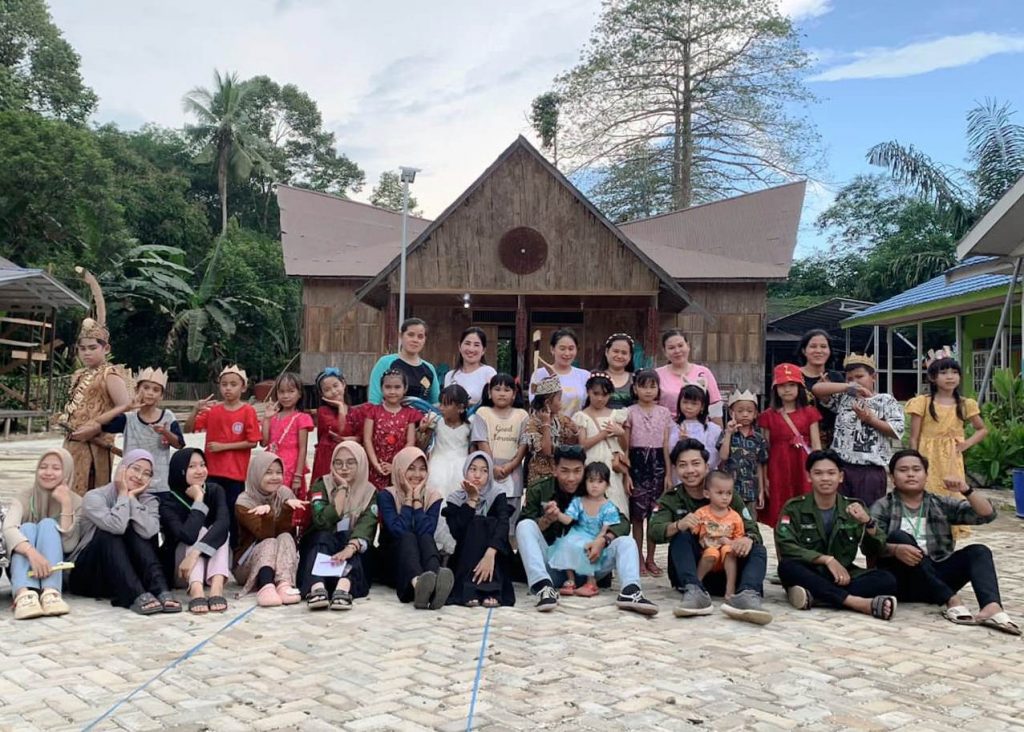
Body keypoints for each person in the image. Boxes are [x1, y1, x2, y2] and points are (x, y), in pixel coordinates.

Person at [871, 449, 1020, 635]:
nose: (910, 474)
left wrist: (967, 490)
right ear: (893, 477)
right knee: (900, 538)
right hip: (903, 581)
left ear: (926, 475)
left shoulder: (939, 503)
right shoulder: (883, 506)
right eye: (903, 470)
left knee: (979, 551)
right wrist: (894, 549)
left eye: (916, 469)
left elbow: (986, 514)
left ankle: (991, 607)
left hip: (938, 574)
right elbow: (870, 544)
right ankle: (952, 600)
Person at [516, 446, 657, 614]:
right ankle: (543, 587)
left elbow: (621, 522)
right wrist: (546, 520)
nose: (571, 478)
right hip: (555, 566)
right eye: (565, 471)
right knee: (524, 526)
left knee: (626, 542)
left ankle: (631, 591)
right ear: (554, 469)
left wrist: (603, 540)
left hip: (590, 563)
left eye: (577, 471)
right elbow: (524, 530)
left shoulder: (591, 487)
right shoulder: (539, 490)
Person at [649, 439, 771, 624]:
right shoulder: (672, 498)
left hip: (730, 568)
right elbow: (654, 530)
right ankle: (694, 592)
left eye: (696, 463)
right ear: (675, 469)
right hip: (697, 571)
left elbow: (751, 526)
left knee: (758, 548)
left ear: (706, 466)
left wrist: (748, 539)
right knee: (681, 536)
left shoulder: (725, 494)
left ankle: (747, 594)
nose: (690, 470)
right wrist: (677, 525)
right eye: (683, 465)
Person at [775, 450, 897, 621]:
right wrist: (826, 559)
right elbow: (786, 546)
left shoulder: (854, 507)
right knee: (787, 567)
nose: (825, 478)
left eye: (831, 473)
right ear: (809, 476)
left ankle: (818, 597)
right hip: (809, 570)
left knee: (887, 580)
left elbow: (875, 549)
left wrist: (868, 522)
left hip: (843, 575)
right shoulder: (794, 508)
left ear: (840, 476)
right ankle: (856, 603)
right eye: (818, 473)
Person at [68, 450, 181, 614]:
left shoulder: (149, 500)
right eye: (135, 469)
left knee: (138, 528)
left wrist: (132, 499)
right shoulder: (94, 497)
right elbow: (117, 526)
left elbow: (150, 532)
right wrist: (123, 495)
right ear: (122, 468)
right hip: (90, 574)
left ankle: (160, 589)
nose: (139, 476)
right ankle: (135, 595)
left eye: (146, 473)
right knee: (112, 530)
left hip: (125, 574)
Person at [57, 268, 131, 494]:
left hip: (96, 444)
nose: (87, 353)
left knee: (91, 493)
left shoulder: (110, 374)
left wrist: (97, 424)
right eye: (82, 348)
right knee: (67, 490)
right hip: (72, 442)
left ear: (105, 348)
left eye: (92, 348)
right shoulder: (78, 375)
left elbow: (125, 404)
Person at [811, 354, 904, 507]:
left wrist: (870, 420)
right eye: (850, 378)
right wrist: (847, 387)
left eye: (860, 376)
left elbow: (896, 431)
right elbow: (816, 389)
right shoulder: (844, 398)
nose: (855, 381)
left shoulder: (885, 400)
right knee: (840, 511)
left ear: (873, 377)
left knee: (867, 514)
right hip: (841, 466)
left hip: (870, 470)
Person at [185, 364, 262, 547]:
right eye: (224, 384)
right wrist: (196, 410)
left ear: (243, 387)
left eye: (233, 384)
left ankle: (232, 552)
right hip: (211, 473)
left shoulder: (247, 411)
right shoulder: (213, 411)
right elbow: (189, 429)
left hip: (235, 475)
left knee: (231, 514)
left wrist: (224, 447)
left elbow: (253, 441)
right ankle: (208, 550)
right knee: (210, 513)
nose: (228, 388)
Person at [298, 442, 377, 611]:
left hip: (350, 551)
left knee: (351, 538)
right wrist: (341, 490)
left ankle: (343, 588)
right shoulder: (322, 485)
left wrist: (351, 547)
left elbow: (367, 524)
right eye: (338, 463)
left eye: (350, 463)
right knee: (322, 536)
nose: (344, 468)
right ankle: (317, 587)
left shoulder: (370, 492)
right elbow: (321, 521)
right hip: (321, 549)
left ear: (361, 463)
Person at [5, 449, 81, 619]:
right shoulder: (24, 497)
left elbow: (69, 545)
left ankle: (51, 593)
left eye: (56, 468)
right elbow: (8, 529)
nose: (48, 473)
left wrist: (66, 504)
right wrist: (32, 553)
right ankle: (23, 595)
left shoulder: (76, 502)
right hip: (22, 569)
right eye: (43, 467)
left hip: (57, 570)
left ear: (67, 472)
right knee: (27, 528)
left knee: (48, 525)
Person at [377, 447, 454, 609]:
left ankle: (433, 583)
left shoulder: (433, 496)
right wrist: (408, 498)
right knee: (408, 536)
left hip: (421, 559)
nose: (417, 475)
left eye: (422, 469)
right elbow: (398, 530)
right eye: (410, 468)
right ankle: (418, 583)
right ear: (399, 470)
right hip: (394, 561)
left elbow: (426, 530)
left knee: (425, 538)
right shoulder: (386, 495)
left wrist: (418, 500)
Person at [907, 354, 987, 509]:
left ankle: (951, 530)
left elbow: (982, 429)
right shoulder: (922, 402)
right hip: (926, 455)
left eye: (954, 372)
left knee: (953, 493)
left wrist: (966, 444)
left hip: (951, 457)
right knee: (926, 493)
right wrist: (913, 461)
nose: (950, 377)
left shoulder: (965, 404)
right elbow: (914, 438)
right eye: (943, 373)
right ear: (932, 377)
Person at [158, 448, 231, 614]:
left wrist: (195, 554)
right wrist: (199, 500)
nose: (200, 471)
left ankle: (216, 589)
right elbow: (187, 536)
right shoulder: (168, 502)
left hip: (204, 562)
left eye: (203, 465)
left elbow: (224, 523)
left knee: (218, 529)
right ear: (180, 470)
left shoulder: (215, 490)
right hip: (181, 568)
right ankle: (196, 590)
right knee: (199, 530)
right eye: (192, 466)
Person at [443, 452, 515, 607]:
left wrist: (490, 552)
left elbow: (503, 524)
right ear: (465, 471)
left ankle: (492, 590)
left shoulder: (497, 494)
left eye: (484, 470)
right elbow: (458, 532)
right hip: (466, 555)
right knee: (476, 524)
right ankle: (471, 590)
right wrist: (472, 499)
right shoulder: (455, 498)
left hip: (495, 554)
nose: (477, 475)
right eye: (473, 469)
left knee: (489, 523)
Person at [234, 451, 303, 607]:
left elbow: (285, 533)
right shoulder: (244, 502)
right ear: (257, 473)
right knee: (269, 542)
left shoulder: (285, 494)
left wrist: (286, 510)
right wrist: (268, 514)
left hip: (281, 561)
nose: (275, 477)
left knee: (285, 537)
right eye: (268, 472)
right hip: (248, 563)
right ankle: (265, 585)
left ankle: (284, 584)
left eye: (279, 472)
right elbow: (264, 535)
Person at [759, 363, 822, 527]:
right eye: (782, 385)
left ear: (800, 387)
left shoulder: (810, 412)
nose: (787, 389)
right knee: (780, 505)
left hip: (802, 464)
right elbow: (764, 450)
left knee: (805, 501)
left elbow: (816, 445)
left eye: (792, 385)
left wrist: (819, 470)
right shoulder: (767, 415)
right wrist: (764, 477)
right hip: (777, 466)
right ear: (775, 389)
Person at [103, 367, 184, 495]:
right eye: (145, 388)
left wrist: (165, 432)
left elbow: (179, 444)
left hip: (159, 484)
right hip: (129, 483)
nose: (150, 393)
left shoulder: (168, 417)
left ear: (161, 396)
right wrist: (125, 407)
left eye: (156, 390)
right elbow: (103, 423)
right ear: (137, 390)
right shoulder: (128, 419)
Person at [547, 462, 621, 598]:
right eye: (591, 481)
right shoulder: (578, 501)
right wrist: (557, 514)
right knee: (566, 542)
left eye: (600, 481)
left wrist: (599, 540)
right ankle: (571, 579)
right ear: (585, 482)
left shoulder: (609, 507)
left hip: (595, 536)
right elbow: (568, 519)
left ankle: (591, 582)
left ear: (607, 484)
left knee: (588, 547)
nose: (594, 485)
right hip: (577, 532)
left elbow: (605, 529)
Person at [625, 369, 673, 577]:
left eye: (652, 386)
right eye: (643, 386)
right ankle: (638, 558)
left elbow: (665, 445)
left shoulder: (664, 413)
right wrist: (626, 473)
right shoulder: (630, 411)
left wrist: (668, 474)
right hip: (636, 465)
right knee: (637, 517)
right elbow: (625, 445)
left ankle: (652, 558)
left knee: (654, 515)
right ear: (635, 388)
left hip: (657, 466)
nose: (648, 390)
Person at [471, 373, 529, 531]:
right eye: (497, 389)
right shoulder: (483, 413)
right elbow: (481, 441)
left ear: (514, 394)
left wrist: (511, 465)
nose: (502, 393)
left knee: (509, 521)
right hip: (487, 471)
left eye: (507, 389)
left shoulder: (522, 415)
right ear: (489, 392)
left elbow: (524, 443)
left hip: (513, 472)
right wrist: (492, 467)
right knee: (486, 516)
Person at [261, 372, 315, 532]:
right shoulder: (274, 417)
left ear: (299, 394)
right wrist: (266, 419)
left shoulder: (301, 418)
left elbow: (303, 448)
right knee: (270, 507)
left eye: (291, 391)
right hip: (270, 467)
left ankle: (289, 542)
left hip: (290, 470)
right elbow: (264, 441)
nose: (286, 396)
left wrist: (298, 476)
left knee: (287, 510)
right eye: (281, 391)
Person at [572, 372, 629, 518]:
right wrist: (602, 435)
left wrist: (620, 433)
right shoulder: (582, 416)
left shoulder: (616, 414)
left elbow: (624, 447)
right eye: (595, 393)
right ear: (588, 392)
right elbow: (582, 445)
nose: (600, 398)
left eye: (604, 394)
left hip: (612, 465)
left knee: (615, 501)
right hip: (591, 462)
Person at [426, 384, 472, 553]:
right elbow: (423, 443)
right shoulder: (435, 422)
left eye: (446, 404)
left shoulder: (469, 425)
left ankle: (455, 545)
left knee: (457, 501)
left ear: (460, 408)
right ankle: (435, 543)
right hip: (438, 465)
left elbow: (472, 450)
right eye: (441, 403)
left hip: (461, 467)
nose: (441, 408)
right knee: (437, 500)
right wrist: (424, 430)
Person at [692, 471, 746, 599]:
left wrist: (730, 543)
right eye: (720, 493)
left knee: (728, 550)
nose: (725, 497)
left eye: (729, 493)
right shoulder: (701, 513)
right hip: (707, 552)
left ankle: (730, 588)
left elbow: (739, 538)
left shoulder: (735, 517)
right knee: (712, 552)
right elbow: (692, 532)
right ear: (707, 494)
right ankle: (696, 584)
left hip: (726, 556)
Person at [717, 390, 768, 522]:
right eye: (740, 411)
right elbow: (723, 457)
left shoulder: (758, 438)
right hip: (729, 490)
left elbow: (760, 465)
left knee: (749, 522)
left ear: (755, 414)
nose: (745, 414)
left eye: (749, 411)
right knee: (728, 521)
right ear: (731, 413)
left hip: (751, 489)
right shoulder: (726, 434)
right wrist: (729, 433)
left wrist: (761, 491)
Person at [656, 329, 722, 426]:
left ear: (688, 346)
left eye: (680, 345)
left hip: (700, 431)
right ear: (665, 351)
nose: (677, 351)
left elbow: (714, 406)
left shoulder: (704, 372)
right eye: (671, 348)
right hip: (666, 430)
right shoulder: (657, 374)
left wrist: (720, 435)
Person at [523, 375, 579, 488]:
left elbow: (572, 443)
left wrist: (574, 431)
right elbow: (546, 451)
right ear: (548, 403)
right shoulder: (532, 423)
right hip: (539, 478)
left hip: (559, 475)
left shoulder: (561, 419)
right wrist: (546, 424)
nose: (561, 402)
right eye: (559, 399)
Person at [368, 317, 440, 404]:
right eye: (410, 335)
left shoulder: (429, 369)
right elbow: (374, 400)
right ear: (401, 336)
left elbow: (436, 403)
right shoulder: (385, 363)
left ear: (425, 340)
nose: (415, 340)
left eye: (420, 337)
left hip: (422, 416)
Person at [311, 367, 363, 485]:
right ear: (322, 394)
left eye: (336, 386)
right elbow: (340, 430)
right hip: (327, 457)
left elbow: (361, 436)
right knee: (326, 488)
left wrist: (352, 439)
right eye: (327, 389)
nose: (334, 391)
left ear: (343, 384)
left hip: (349, 456)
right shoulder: (323, 411)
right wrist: (340, 406)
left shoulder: (356, 412)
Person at [795, 329, 845, 448]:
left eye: (823, 346)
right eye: (813, 346)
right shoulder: (794, 376)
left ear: (829, 351)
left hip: (832, 442)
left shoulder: (836, 377)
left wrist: (828, 396)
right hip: (799, 439)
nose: (818, 351)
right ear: (804, 350)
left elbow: (844, 410)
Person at [528, 328, 590, 416]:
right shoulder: (540, 374)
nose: (567, 353)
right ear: (552, 349)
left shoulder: (585, 376)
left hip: (576, 427)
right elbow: (535, 404)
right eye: (562, 348)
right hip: (548, 426)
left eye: (571, 349)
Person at [670, 380, 722, 470]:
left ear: (702, 406)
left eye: (694, 404)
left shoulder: (712, 430)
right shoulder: (674, 428)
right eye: (685, 402)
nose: (689, 407)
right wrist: (681, 443)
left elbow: (715, 456)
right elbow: (670, 454)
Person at [443, 327, 497, 405]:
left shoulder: (489, 372)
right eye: (467, 343)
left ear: (483, 350)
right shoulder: (450, 376)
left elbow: (494, 403)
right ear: (459, 346)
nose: (471, 349)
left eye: (476, 345)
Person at [596, 333, 636, 408]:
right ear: (607, 352)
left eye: (624, 353)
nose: (619, 356)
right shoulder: (594, 377)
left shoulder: (636, 379)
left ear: (630, 356)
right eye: (616, 351)